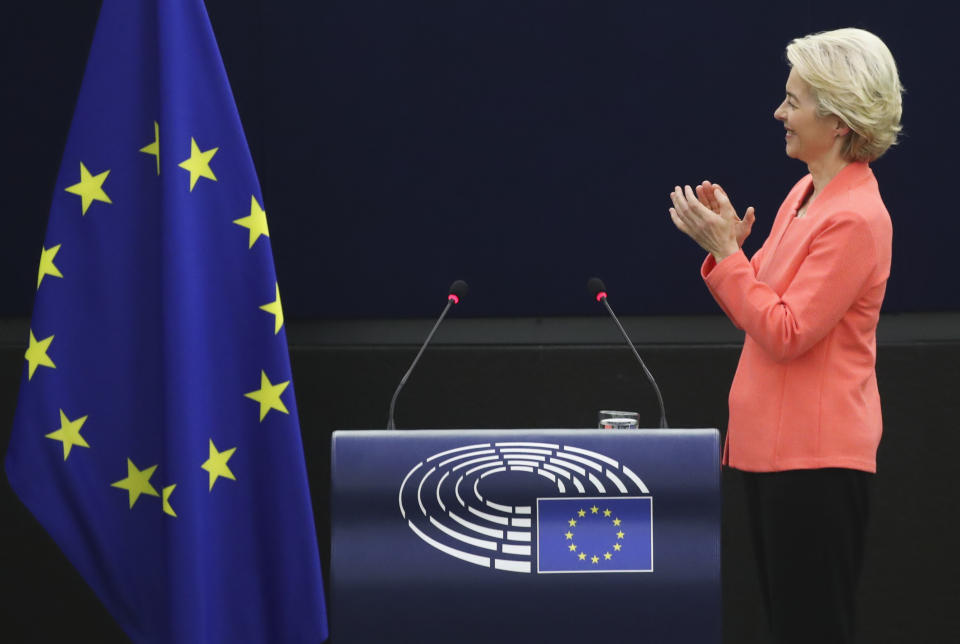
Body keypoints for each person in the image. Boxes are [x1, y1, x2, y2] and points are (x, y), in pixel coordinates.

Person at [667, 28, 904, 644]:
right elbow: (760, 304)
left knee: (811, 628)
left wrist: (729, 256)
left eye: (794, 101)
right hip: (769, 451)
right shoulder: (804, 194)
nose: (780, 113)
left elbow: (786, 331)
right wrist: (729, 248)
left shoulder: (855, 217)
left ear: (840, 118)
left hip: (816, 460)